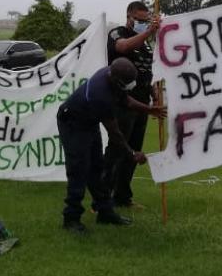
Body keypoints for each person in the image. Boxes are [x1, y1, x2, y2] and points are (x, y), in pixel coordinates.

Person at [58, 58, 165, 233]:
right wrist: (132, 154)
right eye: (128, 83)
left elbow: (127, 101)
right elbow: (115, 134)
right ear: (116, 80)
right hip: (72, 124)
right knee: (79, 169)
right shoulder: (101, 96)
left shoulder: (111, 75)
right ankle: (71, 218)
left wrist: (149, 109)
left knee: (97, 167)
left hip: (88, 122)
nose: (131, 86)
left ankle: (105, 212)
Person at [102, 0, 160, 210]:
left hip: (142, 103)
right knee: (118, 148)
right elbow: (123, 47)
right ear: (129, 16)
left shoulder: (145, 44)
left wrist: (153, 93)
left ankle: (122, 196)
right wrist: (149, 31)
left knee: (134, 151)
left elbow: (147, 70)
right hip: (123, 102)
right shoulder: (117, 34)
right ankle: (103, 198)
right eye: (140, 20)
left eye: (146, 21)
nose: (143, 24)